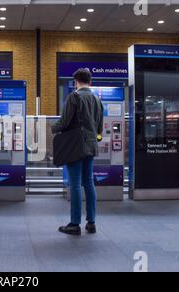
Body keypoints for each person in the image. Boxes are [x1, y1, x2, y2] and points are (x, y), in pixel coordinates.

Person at [52, 68, 104, 236]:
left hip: (76, 146)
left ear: (76, 82)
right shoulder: (97, 99)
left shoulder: (74, 97)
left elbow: (65, 121)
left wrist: (53, 128)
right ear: (90, 81)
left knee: (74, 184)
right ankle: (91, 222)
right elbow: (100, 127)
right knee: (89, 183)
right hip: (91, 146)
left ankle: (74, 224)